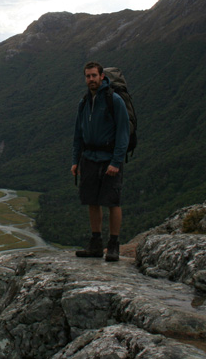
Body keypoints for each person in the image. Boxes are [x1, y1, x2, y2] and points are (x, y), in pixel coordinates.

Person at [70, 61, 130, 262]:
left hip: (109, 159)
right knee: (92, 201)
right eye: (87, 76)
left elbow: (123, 134)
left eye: (94, 75)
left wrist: (116, 161)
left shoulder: (114, 101)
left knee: (113, 202)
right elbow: (78, 134)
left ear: (102, 76)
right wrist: (75, 160)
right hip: (89, 158)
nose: (91, 79)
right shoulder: (84, 102)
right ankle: (96, 244)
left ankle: (113, 245)